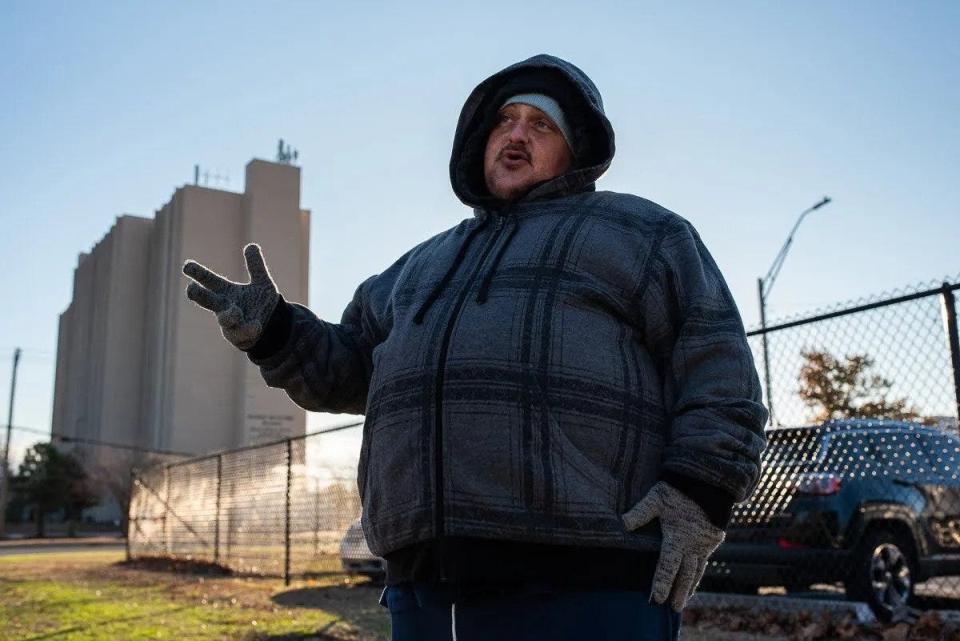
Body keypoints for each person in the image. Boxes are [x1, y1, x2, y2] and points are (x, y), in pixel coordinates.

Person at [183, 54, 768, 641]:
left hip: (592, 585)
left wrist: (699, 496)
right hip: (425, 588)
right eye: (504, 120)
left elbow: (721, 376)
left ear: (577, 148)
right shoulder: (416, 268)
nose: (516, 134)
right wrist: (277, 330)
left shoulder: (644, 234)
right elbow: (348, 370)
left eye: (541, 125)